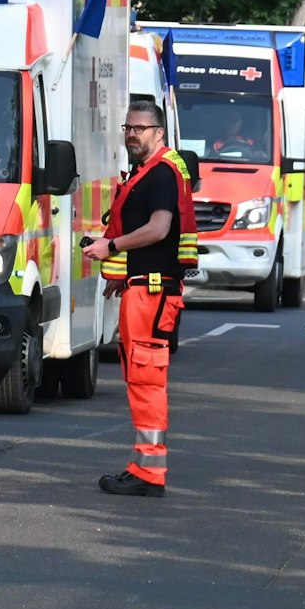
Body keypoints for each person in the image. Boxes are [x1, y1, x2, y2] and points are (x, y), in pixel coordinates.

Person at [83, 102, 192, 498]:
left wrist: (110, 246)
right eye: (128, 127)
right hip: (144, 287)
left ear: (159, 133)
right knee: (142, 380)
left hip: (153, 292)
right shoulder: (151, 171)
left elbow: (159, 229)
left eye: (141, 128)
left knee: (146, 381)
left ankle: (148, 472)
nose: (132, 134)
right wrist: (121, 276)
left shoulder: (161, 173)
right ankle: (145, 466)